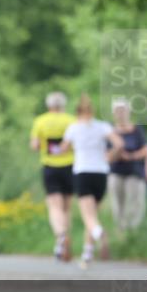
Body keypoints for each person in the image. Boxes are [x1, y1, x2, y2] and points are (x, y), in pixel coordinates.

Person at [58, 94, 123, 267]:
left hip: (83, 172)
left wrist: (65, 148)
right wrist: (109, 156)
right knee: (93, 214)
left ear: (78, 112)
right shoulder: (103, 126)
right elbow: (119, 144)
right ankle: (87, 254)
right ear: (92, 112)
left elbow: (63, 149)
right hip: (101, 173)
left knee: (88, 216)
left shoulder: (73, 127)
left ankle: (100, 234)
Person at [29, 91, 77, 261]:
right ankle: (65, 239)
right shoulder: (71, 121)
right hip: (70, 166)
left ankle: (61, 236)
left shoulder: (40, 121)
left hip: (50, 167)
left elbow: (34, 145)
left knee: (54, 206)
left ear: (49, 105)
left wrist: (44, 144)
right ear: (63, 105)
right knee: (66, 207)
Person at [107, 98, 147, 233]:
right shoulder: (110, 131)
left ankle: (133, 232)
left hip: (134, 172)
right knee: (117, 204)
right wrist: (118, 152)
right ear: (114, 113)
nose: (121, 113)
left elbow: (146, 149)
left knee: (134, 203)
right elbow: (106, 155)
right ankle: (120, 231)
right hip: (116, 171)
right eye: (118, 111)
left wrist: (131, 156)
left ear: (128, 112)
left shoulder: (137, 130)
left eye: (123, 110)